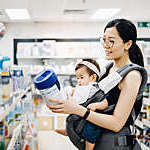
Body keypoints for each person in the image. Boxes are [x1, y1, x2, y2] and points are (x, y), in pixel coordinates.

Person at [47, 18, 145, 150]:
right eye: (104, 40)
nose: (106, 45)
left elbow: (116, 123)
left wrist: (78, 110)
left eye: (111, 41)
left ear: (127, 44)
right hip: (100, 143)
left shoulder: (132, 76)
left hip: (116, 145)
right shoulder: (108, 69)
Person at [56, 58, 109, 150]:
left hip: (94, 118)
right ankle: (68, 130)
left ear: (93, 77)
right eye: (77, 78)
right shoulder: (83, 87)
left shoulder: (95, 88)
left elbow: (106, 102)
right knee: (71, 118)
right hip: (83, 113)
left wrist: (96, 105)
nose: (79, 81)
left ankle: (89, 147)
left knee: (90, 130)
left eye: (81, 77)